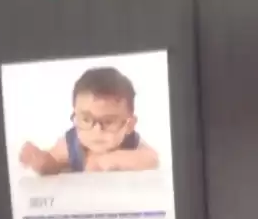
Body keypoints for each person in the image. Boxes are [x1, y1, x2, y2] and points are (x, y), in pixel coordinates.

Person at [19, 67, 160, 175]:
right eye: (86, 119)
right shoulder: (71, 145)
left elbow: (152, 159)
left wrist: (109, 160)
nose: (96, 130)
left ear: (129, 125)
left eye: (108, 121)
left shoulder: (131, 142)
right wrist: (42, 162)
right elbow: (53, 161)